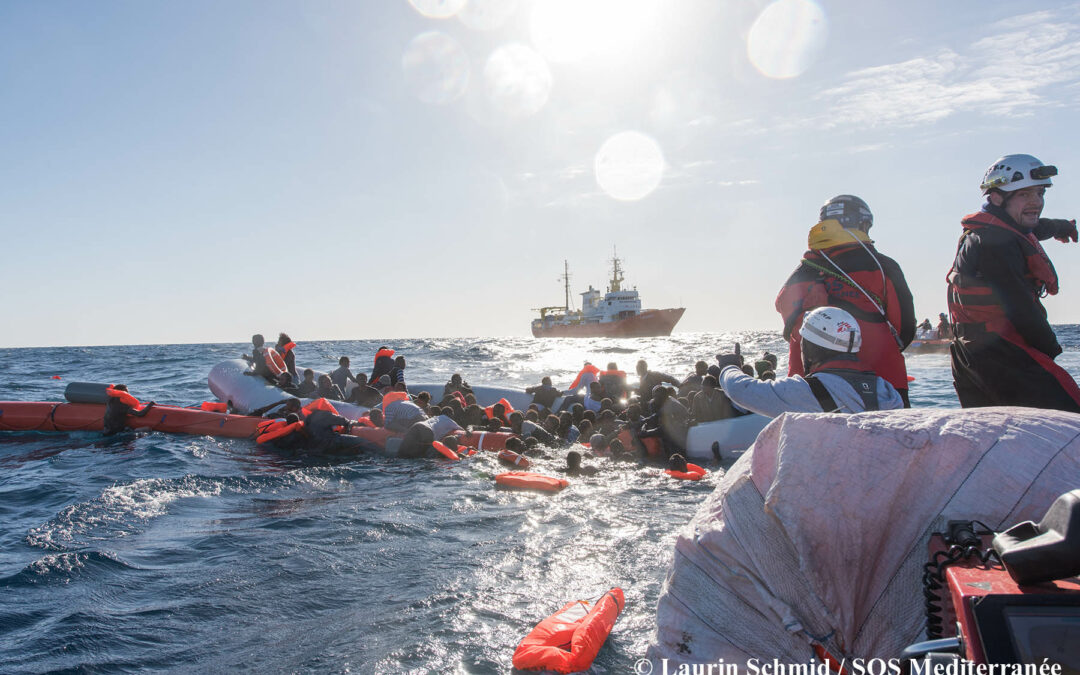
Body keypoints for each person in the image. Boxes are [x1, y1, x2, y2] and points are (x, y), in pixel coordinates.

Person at [947, 154, 1080, 412]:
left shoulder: (992, 230)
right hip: (1003, 353)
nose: (1036, 202)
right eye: (1025, 195)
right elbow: (1019, 307)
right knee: (1071, 421)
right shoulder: (994, 244)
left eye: (1040, 194)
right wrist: (1051, 350)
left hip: (970, 355)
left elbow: (1032, 228)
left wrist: (1062, 227)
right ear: (997, 197)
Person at [776, 195, 916, 406]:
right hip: (880, 381)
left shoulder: (803, 271)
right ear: (862, 224)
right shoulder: (883, 267)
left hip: (811, 388)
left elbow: (785, 312)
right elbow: (904, 327)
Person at [719, 307, 904, 417]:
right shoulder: (886, 390)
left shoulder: (804, 391)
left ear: (810, 348)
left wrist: (729, 366)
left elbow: (740, 390)